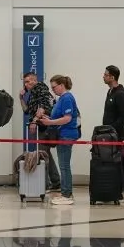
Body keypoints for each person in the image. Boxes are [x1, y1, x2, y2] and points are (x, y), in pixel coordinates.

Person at [37, 75, 81, 206]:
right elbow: (60, 116)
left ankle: (67, 194)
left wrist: (49, 122)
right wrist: (48, 118)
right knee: (63, 165)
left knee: (64, 165)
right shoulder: (62, 98)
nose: (53, 90)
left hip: (66, 134)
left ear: (62, 85)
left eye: (54, 87)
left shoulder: (67, 98)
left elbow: (67, 118)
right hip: (62, 133)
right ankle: (65, 192)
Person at [21, 72, 60, 192]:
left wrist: (34, 121)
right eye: (25, 82)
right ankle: (55, 181)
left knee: (43, 153)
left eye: (29, 81)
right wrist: (21, 97)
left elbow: (43, 105)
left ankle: (45, 183)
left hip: (45, 125)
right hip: (41, 126)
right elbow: (26, 110)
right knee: (45, 153)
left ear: (34, 80)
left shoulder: (40, 87)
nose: (27, 84)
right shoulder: (32, 93)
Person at [102, 65, 124, 139]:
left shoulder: (120, 93)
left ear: (112, 77)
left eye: (105, 75)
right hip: (108, 132)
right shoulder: (110, 91)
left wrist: (111, 128)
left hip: (115, 134)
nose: (103, 77)